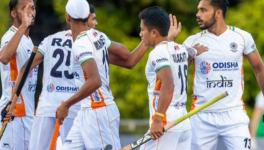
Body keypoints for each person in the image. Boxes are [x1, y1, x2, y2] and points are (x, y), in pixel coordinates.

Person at [55, 0, 150, 149]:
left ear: (68, 17)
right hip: (86, 111)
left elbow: (95, 81)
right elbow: (129, 60)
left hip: (98, 112)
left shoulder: (81, 44)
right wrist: (146, 41)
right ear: (87, 16)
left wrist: (66, 105)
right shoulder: (98, 35)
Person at [181, 0, 264, 149]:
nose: (197, 14)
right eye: (198, 10)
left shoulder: (242, 37)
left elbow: (259, 68)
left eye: (203, 10)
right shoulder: (192, 41)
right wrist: (187, 55)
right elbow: (177, 73)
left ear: (218, 13)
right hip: (201, 116)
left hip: (234, 115)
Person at [137, 6, 201, 150]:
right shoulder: (180, 48)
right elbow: (185, 60)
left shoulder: (157, 53)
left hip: (166, 122)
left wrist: (158, 118)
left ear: (154, 33)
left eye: (142, 30)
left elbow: (168, 84)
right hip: (183, 123)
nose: (140, 34)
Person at [0, 0, 38, 149]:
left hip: (28, 115)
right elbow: (3, 57)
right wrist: (23, 26)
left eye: (33, 8)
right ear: (14, 13)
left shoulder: (28, 40)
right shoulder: (10, 36)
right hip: (13, 115)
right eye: (25, 8)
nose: (31, 12)